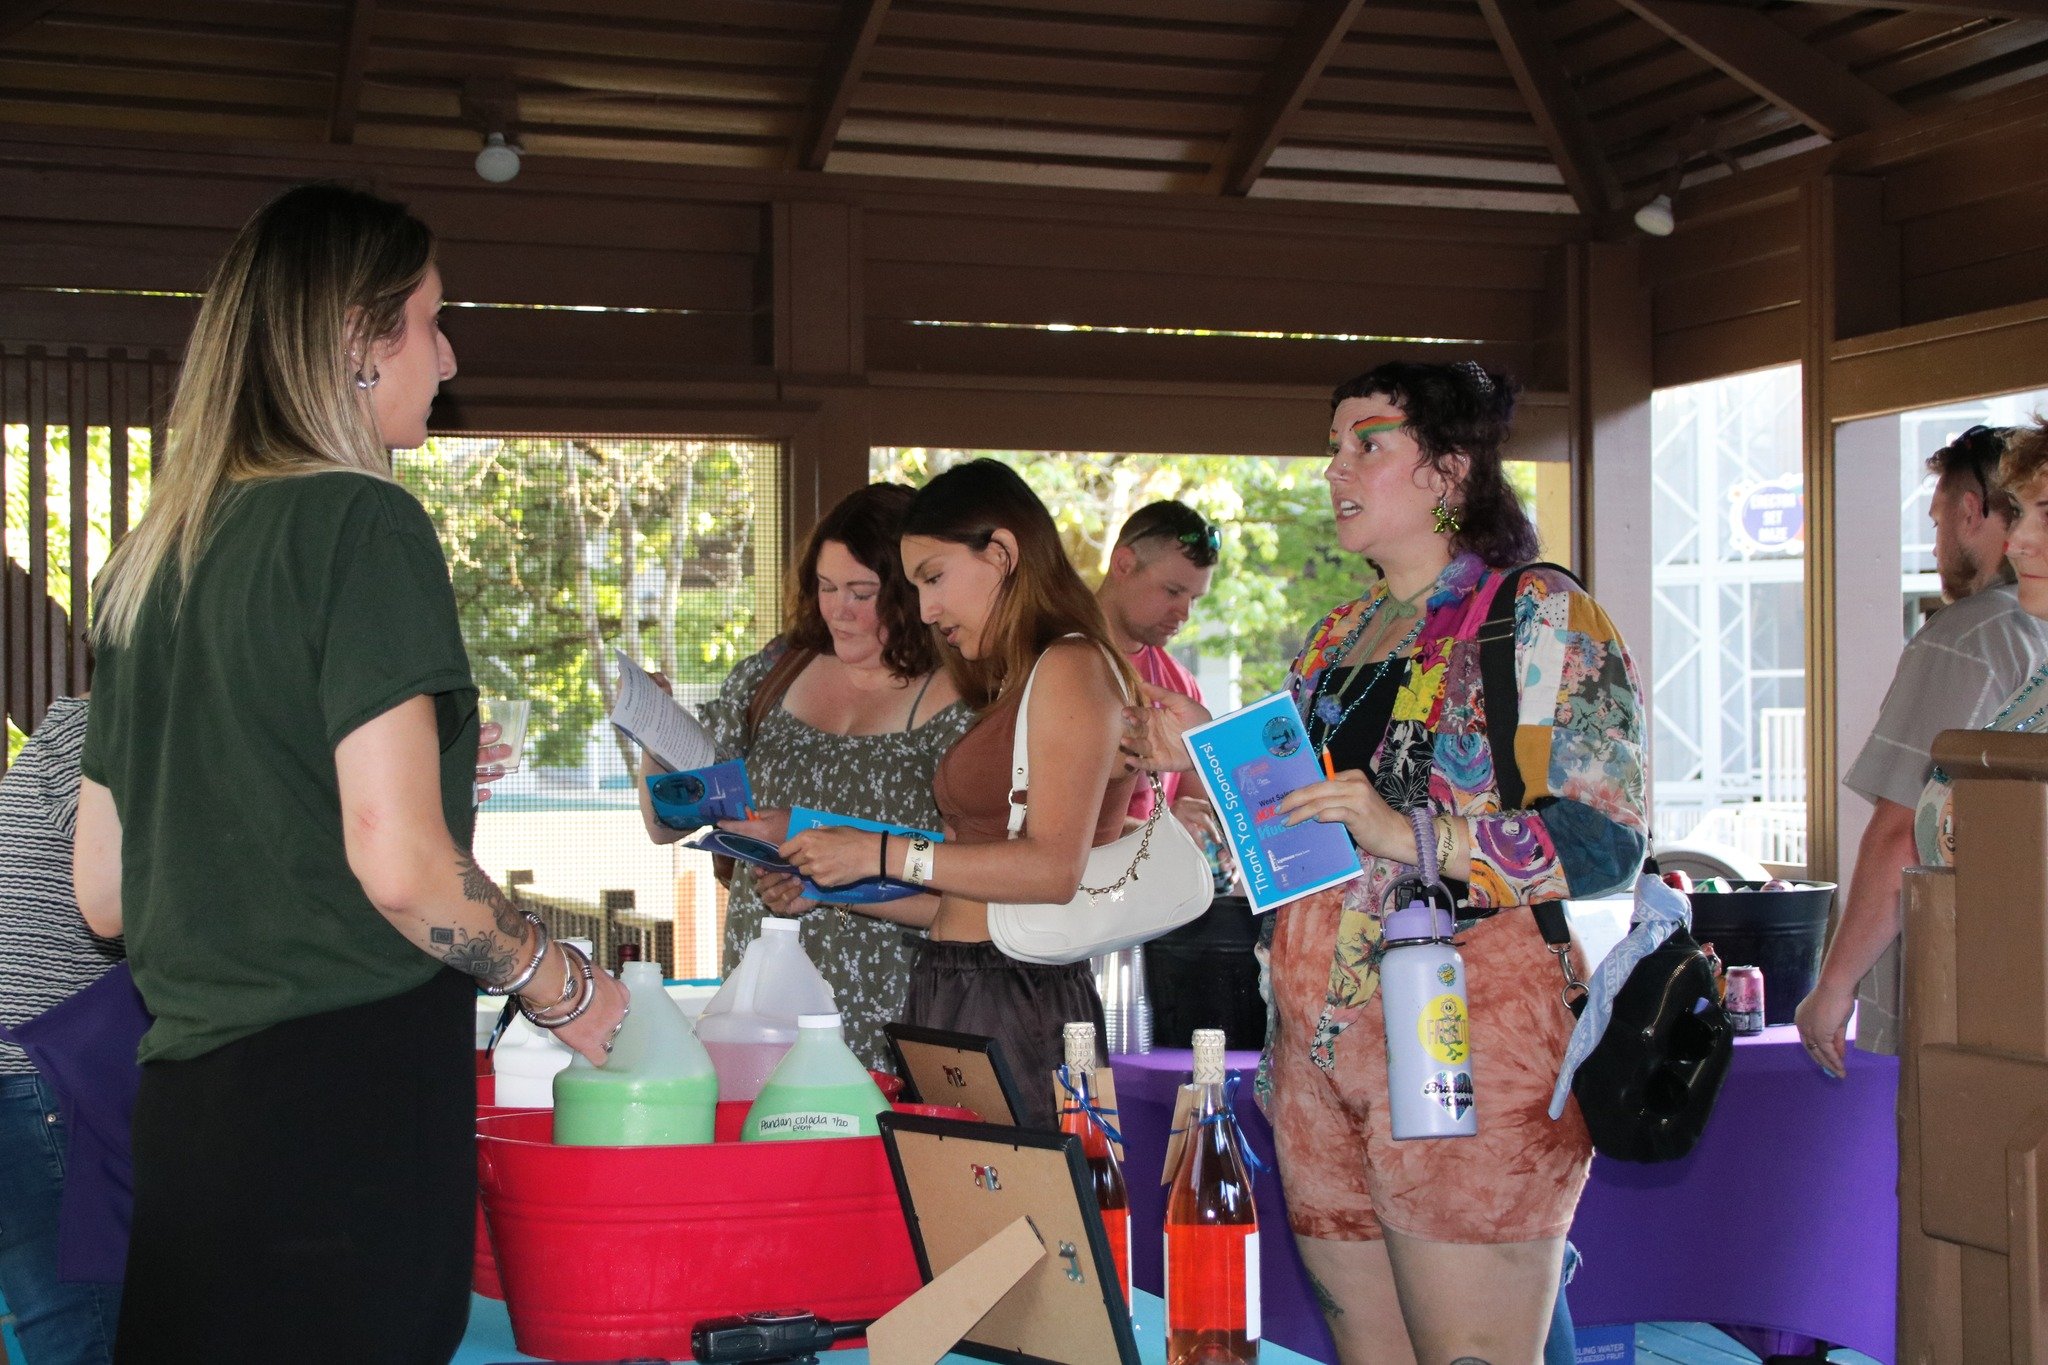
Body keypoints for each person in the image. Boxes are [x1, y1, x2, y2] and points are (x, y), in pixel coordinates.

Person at [69, 182, 625, 1365]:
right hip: (342, 1102)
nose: (449, 351)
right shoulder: (363, 525)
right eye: (430, 320)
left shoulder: (154, 559)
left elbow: (106, 893)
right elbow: (405, 868)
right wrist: (558, 981)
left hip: (189, 1117)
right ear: (357, 343)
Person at [1130, 361, 1648, 1363]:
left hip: (1466, 1035)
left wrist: (1414, 834)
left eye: (1368, 443)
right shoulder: (1333, 639)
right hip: (1313, 1049)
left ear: (1449, 472)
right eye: (1333, 446)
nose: (1335, 469)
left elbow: (1602, 839)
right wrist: (1202, 773)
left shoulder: (1533, 613)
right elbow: (1301, 855)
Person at [778, 459, 1139, 1129]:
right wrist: (841, 879)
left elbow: (1050, 867)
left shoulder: (1071, 663)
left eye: (935, 578)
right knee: (961, 1222)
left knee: (1022, 1226)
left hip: (1018, 996)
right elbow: (973, 897)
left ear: (1001, 554)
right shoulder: (1019, 678)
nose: (926, 608)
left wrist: (881, 852)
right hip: (962, 982)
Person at [636, 483, 971, 1071]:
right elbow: (667, 822)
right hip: (763, 1002)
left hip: (892, 1000)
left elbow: (976, 885)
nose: (839, 609)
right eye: (825, 587)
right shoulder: (776, 671)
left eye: (862, 592)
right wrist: (653, 735)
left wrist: (827, 881)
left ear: (911, 592)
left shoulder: (963, 702)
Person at [1796, 424, 2048, 1076]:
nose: (1935, 545)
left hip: (1970, 1005)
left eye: (1938, 521)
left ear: (1972, 513)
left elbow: (1906, 830)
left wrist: (1834, 987)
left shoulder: (1970, 639)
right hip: (2029, 980)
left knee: (1960, 1173)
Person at [0, 688, 124, 1365]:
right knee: (88, 1331)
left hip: (34, 1076)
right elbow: (158, 889)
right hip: (37, 1079)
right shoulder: (112, 723)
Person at [1912, 418, 2048, 865]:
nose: (2017, 541)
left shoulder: (1966, 635)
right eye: (2020, 513)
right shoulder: (2039, 689)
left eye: (2047, 514)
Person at [1093, 500, 1221, 844]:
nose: (1184, 613)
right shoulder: (1053, 658)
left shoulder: (1181, 686)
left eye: (1195, 598)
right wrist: (1158, 830)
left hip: (1150, 892)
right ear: (1123, 564)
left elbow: (1196, 805)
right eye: (1173, 591)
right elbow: (1027, 814)